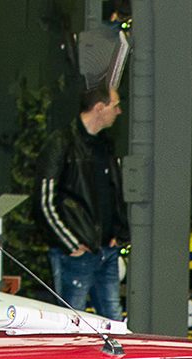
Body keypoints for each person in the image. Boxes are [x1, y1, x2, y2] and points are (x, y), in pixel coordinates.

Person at [37, 83, 130, 321]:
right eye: (115, 106)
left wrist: (116, 234)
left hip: (105, 249)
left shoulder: (105, 145)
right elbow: (44, 202)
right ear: (99, 108)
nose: (119, 112)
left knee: (114, 322)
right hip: (76, 254)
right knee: (71, 323)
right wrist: (72, 244)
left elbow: (113, 193)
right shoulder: (61, 143)